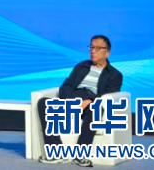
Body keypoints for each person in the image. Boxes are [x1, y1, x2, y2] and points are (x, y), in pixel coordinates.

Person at [37, 35, 123, 168]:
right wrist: (70, 102)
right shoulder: (81, 66)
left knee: (96, 109)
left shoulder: (115, 75)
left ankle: (80, 155)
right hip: (72, 99)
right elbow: (66, 86)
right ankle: (56, 152)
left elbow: (108, 94)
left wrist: (89, 101)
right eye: (91, 47)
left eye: (97, 48)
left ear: (107, 52)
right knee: (43, 102)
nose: (93, 51)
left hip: (91, 102)